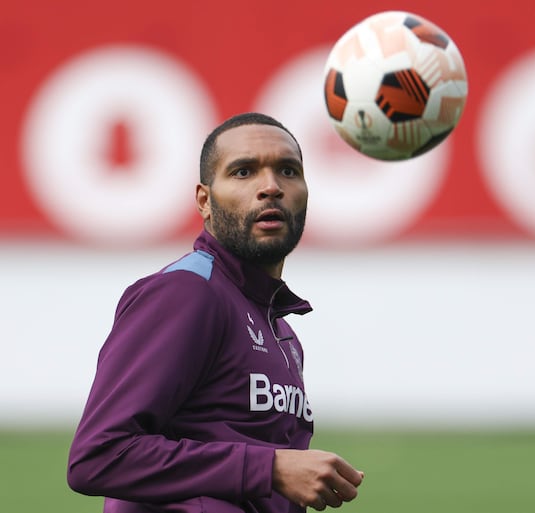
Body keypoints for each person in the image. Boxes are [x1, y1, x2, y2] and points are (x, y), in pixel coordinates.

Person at [67, 112, 364, 513]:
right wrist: (270, 468)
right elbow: (99, 456)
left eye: (288, 170)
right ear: (205, 201)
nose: (271, 187)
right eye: (244, 172)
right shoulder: (187, 293)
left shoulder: (282, 333)